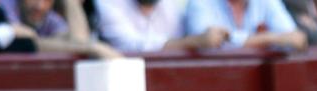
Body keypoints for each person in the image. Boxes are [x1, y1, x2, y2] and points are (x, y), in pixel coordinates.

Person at [0, 0, 121, 57]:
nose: (39, 5)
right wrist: (92, 47)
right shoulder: (4, 6)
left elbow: (78, 40)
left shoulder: (50, 19)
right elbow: (24, 44)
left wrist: (71, 2)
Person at [96, 0, 231, 51]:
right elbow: (131, 45)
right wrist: (194, 41)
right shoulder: (108, 3)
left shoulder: (169, 5)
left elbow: (180, 37)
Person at [185, 0, 309, 48]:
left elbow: (296, 39)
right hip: (211, 82)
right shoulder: (200, 2)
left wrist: (233, 39)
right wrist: (273, 38)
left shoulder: (266, 2)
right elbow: (209, 42)